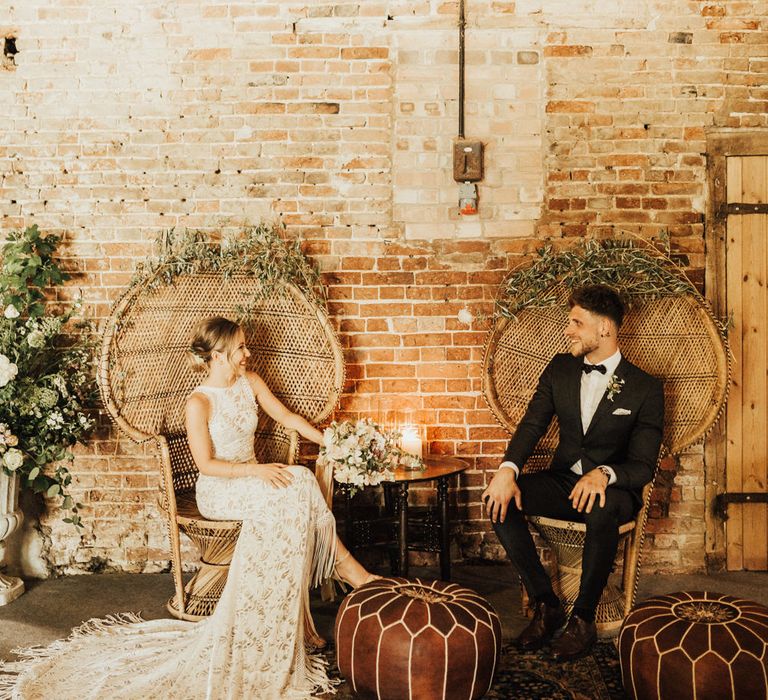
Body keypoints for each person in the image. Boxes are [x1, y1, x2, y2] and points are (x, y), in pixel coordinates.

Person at [0, 316, 376, 700]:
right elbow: (206, 466)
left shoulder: (252, 382)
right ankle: (349, 574)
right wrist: (259, 470)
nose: (248, 353)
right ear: (217, 355)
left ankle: (305, 611)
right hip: (220, 489)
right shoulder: (199, 402)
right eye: (240, 349)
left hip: (253, 480)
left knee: (299, 484)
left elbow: (288, 418)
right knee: (296, 487)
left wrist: (332, 442)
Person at [482, 284, 664, 661]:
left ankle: (582, 620)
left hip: (613, 492)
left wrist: (605, 474)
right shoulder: (559, 369)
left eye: (576, 323)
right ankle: (547, 604)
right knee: (500, 502)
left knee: (601, 506)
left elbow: (643, 466)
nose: (568, 330)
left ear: (604, 330)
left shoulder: (646, 388)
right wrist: (507, 470)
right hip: (564, 480)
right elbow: (532, 425)